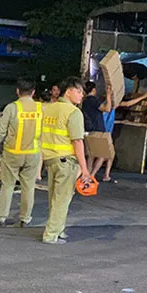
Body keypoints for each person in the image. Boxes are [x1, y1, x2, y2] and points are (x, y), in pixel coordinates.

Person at [40, 77, 92, 245]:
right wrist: (85, 169)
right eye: (79, 91)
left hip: (50, 159)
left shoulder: (49, 108)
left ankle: (58, 228)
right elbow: (77, 141)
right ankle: (51, 234)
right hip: (66, 160)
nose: (81, 95)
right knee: (62, 199)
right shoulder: (73, 112)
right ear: (68, 91)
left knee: (54, 197)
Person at [0, 77, 42, 227]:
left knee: (8, 185)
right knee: (28, 186)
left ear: (17, 91)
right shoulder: (40, 109)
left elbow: (0, 130)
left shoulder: (12, 108)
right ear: (33, 92)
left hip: (12, 153)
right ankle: (25, 219)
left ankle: (1, 217)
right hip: (33, 153)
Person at [96, 88, 147, 181]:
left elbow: (127, 104)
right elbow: (125, 104)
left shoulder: (110, 105)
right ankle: (93, 174)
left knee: (106, 155)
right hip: (104, 133)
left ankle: (104, 175)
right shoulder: (104, 105)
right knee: (104, 156)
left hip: (105, 132)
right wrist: (144, 96)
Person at [82, 81, 115, 182]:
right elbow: (107, 109)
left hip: (88, 130)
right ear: (93, 90)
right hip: (98, 130)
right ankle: (92, 175)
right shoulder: (93, 100)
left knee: (91, 155)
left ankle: (86, 175)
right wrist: (108, 96)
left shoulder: (84, 101)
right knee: (103, 154)